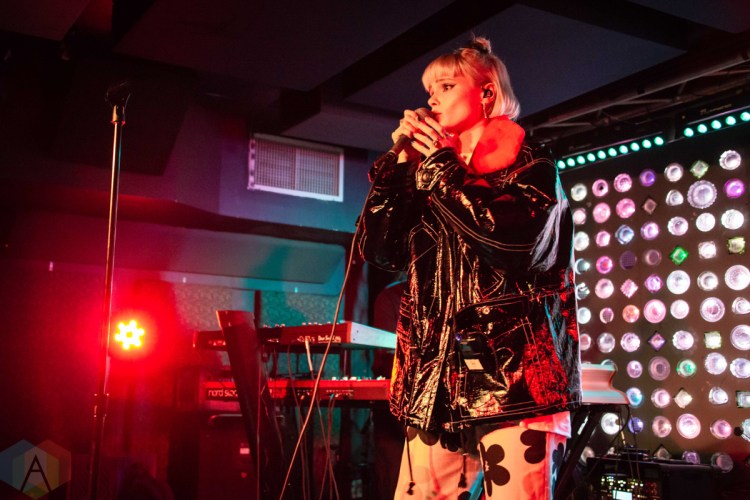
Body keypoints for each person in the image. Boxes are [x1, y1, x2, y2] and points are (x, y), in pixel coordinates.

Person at [358, 36, 581, 499]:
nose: (431, 100)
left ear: (486, 93)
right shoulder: (426, 174)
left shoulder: (531, 164)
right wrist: (398, 173)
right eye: (429, 90)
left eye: (445, 86)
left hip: (515, 384)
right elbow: (381, 252)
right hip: (435, 383)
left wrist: (441, 169)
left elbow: (515, 245)